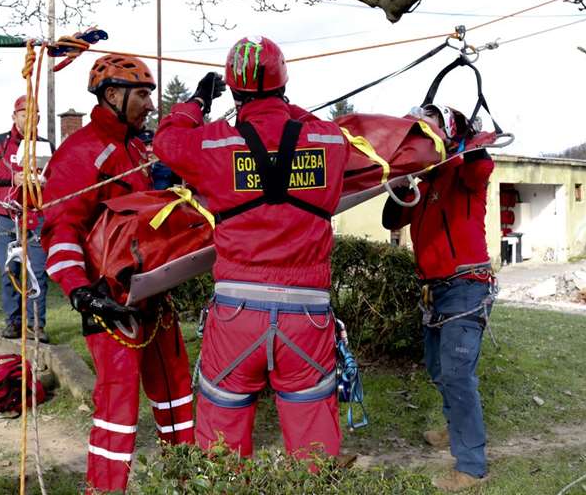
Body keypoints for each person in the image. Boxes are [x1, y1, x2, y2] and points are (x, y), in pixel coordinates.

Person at [154, 36, 350, 461]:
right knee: (314, 451)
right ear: (284, 84)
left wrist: (196, 103)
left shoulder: (213, 145)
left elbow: (166, 142)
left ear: (234, 90)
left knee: (221, 449)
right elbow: (312, 127)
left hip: (236, 317)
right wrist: (282, 109)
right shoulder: (332, 143)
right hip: (307, 318)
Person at [40, 54, 194, 494]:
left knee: (176, 392)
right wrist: (81, 292)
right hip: (110, 304)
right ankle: (105, 489)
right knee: (118, 408)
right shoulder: (81, 153)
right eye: (142, 94)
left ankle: (185, 479)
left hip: (153, 296)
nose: (150, 104)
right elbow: (60, 229)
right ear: (112, 95)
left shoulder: (135, 147)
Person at [382, 104, 496, 492]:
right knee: (437, 367)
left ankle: (472, 466)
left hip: (466, 287)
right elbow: (391, 219)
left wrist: (468, 135)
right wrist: (402, 179)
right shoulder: (424, 182)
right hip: (435, 291)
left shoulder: (465, 171)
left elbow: (482, 164)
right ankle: (455, 428)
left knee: (457, 374)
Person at [0, 95, 52, 343]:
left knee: (38, 272)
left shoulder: (45, 145)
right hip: (6, 218)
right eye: (25, 114)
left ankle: (35, 325)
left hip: (36, 217)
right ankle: (14, 322)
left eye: (36, 114)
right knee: (10, 271)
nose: (31, 119)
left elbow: (57, 175)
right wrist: (13, 179)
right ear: (15, 116)